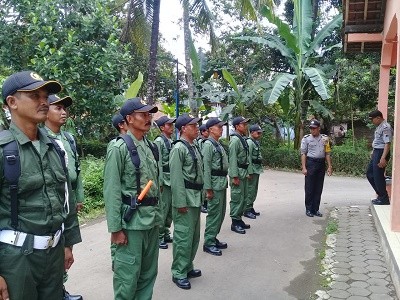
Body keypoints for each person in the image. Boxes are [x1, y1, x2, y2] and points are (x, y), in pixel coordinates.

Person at [0, 70, 81, 300]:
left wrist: (68, 243)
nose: (44, 101)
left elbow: (66, 197)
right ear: (12, 102)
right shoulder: (4, 150)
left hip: (53, 254)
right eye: (35, 96)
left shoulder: (54, 147)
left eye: (45, 96)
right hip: (17, 259)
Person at [103, 98, 161, 299]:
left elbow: (156, 185)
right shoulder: (119, 147)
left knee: (148, 274)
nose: (148, 118)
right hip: (132, 223)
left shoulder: (151, 147)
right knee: (127, 277)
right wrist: (115, 229)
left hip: (151, 221)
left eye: (149, 114)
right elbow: (111, 190)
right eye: (143, 114)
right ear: (128, 118)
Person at [44, 94, 84, 300]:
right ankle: (56, 290)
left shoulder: (68, 138)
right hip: (53, 198)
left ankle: (61, 288)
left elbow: (76, 171)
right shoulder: (42, 139)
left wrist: (79, 197)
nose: (63, 112)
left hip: (69, 196)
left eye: (64, 108)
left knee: (66, 245)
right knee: (52, 248)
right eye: (57, 108)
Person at [170, 113, 203, 290]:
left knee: (194, 236)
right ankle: (178, 272)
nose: (197, 127)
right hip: (185, 200)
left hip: (195, 197)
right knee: (183, 236)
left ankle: (187, 266)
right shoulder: (178, 149)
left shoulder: (194, 146)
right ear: (183, 128)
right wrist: (179, 202)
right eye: (193, 125)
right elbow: (176, 179)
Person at [202, 117, 229, 256]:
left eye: (221, 126)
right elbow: (206, 168)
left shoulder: (217, 144)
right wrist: (208, 189)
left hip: (221, 183)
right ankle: (209, 242)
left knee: (220, 213)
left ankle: (213, 237)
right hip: (214, 184)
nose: (221, 128)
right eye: (219, 127)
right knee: (214, 214)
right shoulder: (208, 145)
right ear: (211, 129)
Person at [107, 113, 127, 271]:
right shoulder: (116, 145)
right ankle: (115, 257)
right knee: (118, 225)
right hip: (120, 193)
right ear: (121, 124)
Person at [300, 119, 333, 217]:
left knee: (318, 188)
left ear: (318, 128)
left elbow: (327, 153)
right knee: (309, 188)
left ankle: (316, 209)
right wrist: (304, 167)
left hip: (321, 163)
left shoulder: (325, 138)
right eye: (311, 128)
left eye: (314, 128)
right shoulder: (306, 139)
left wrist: (330, 166)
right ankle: (309, 209)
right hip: (311, 163)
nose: (312, 130)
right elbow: (303, 154)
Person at [154, 116, 176, 250]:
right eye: (169, 125)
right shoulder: (159, 141)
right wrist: (160, 181)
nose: (172, 127)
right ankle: (159, 236)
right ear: (162, 127)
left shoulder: (171, 141)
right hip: (164, 180)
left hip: (172, 179)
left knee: (170, 211)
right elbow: (158, 163)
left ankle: (166, 232)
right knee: (163, 209)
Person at [229, 116, 251, 234]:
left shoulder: (241, 138)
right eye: (244, 124)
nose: (246, 126)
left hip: (243, 172)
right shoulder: (235, 140)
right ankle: (235, 222)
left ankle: (239, 219)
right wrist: (234, 176)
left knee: (243, 197)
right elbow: (232, 159)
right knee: (237, 198)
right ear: (237, 126)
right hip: (237, 173)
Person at [367, 110, 393, 205]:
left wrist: (383, 158)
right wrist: (373, 151)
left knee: (378, 176)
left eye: (372, 119)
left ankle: (384, 198)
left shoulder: (386, 127)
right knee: (370, 174)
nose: (372, 122)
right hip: (377, 152)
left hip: (382, 152)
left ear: (378, 117)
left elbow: (387, 143)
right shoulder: (379, 127)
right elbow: (378, 141)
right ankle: (381, 195)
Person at [244, 124, 264, 219]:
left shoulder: (255, 142)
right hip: (252, 170)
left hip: (257, 169)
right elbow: (248, 158)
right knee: (250, 190)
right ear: (251, 132)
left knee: (254, 189)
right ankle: (246, 209)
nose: (259, 134)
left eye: (260, 133)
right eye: (258, 132)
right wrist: (249, 172)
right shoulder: (249, 142)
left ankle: (250, 206)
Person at [196, 124, 209, 214]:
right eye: (206, 131)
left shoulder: (206, 141)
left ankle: (205, 203)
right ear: (202, 132)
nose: (208, 132)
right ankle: (203, 204)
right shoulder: (201, 141)